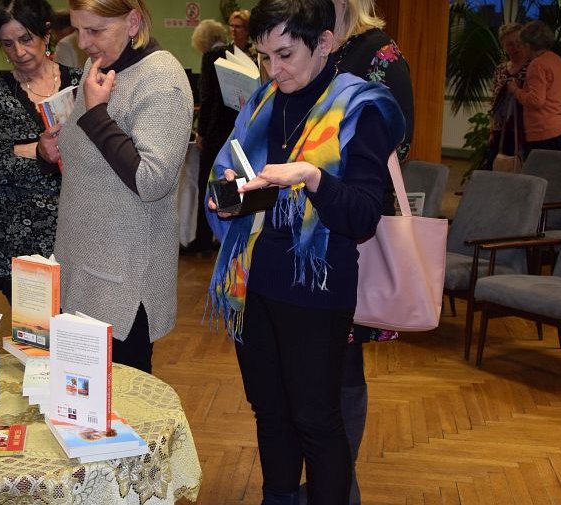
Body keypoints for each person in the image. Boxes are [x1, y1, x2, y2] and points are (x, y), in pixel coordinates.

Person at [204, 0, 405, 502]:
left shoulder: (359, 108)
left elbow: (362, 217)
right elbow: (253, 190)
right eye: (264, 56)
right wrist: (228, 198)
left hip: (317, 290)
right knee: (270, 413)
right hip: (254, 283)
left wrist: (313, 177)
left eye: (286, 55)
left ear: (324, 44)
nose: (273, 70)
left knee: (316, 420)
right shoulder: (263, 102)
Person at [38, 0, 193, 374]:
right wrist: (51, 151)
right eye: (78, 30)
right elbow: (90, 160)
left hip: (123, 286)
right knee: (79, 397)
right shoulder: (100, 67)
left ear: (133, 22)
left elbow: (152, 180)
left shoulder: (162, 79)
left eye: (95, 30)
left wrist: (96, 115)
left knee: (121, 401)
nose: (83, 42)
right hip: (81, 270)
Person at [329, 1, 414, 502]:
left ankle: (341, 487)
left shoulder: (379, 53)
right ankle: (328, 481)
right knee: (317, 363)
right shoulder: (322, 43)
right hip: (312, 223)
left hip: (354, 227)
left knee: (342, 361)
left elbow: (396, 144)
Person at [0, 0, 83, 304]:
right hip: (19, 233)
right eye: (7, 44)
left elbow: (95, 152)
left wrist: (22, 149)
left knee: (80, 325)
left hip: (77, 226)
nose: (19, 51)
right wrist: (41, 153)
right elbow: (0, 166)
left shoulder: (81, 83)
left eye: (26, 39)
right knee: (36, 329)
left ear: (45, 33)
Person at [185, 19, 233, 255]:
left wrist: (201, 132)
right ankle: (224, 238)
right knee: (227, 183)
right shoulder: (233, 54)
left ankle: (203, 240)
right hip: (231, 129)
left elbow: (207, 98)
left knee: (206, 184)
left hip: (214, 131)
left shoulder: (210, 57)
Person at [505, 20, 561, 155]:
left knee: (537, 168)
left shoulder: (537, 65)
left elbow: (536, 101)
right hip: (559, 128)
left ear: (528, 45)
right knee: (552, 167)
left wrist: (515, 90)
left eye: (521, 45)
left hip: (541, 131)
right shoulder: (558, 60)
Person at [485, 23, 530, 170]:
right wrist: (492, 130)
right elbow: (495, 100)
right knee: (498, 167)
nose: (515, 47)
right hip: (500, 129)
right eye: (510, 44)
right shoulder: (500, 69)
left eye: (519, 42)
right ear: (503, 47)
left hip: (524, 130)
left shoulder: (533, 67)